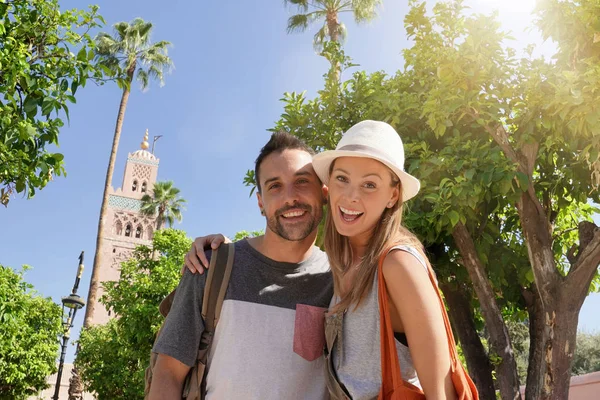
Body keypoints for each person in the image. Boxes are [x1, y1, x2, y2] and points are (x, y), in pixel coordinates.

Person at [187, 121, 460, 399]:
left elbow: (441, 390)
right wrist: (225, 254)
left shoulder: (397, 263)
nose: (351, 196)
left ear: (393, 195)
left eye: (369, 184)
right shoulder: (340, 268)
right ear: (329, 188)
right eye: (343, 178)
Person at [148, 131, 333, 400]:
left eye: (302, 182)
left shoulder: (340, 280)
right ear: (261, 203)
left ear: (324, 193)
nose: (290, 197)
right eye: (275, 186)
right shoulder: (210, 266)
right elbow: (168, 375)